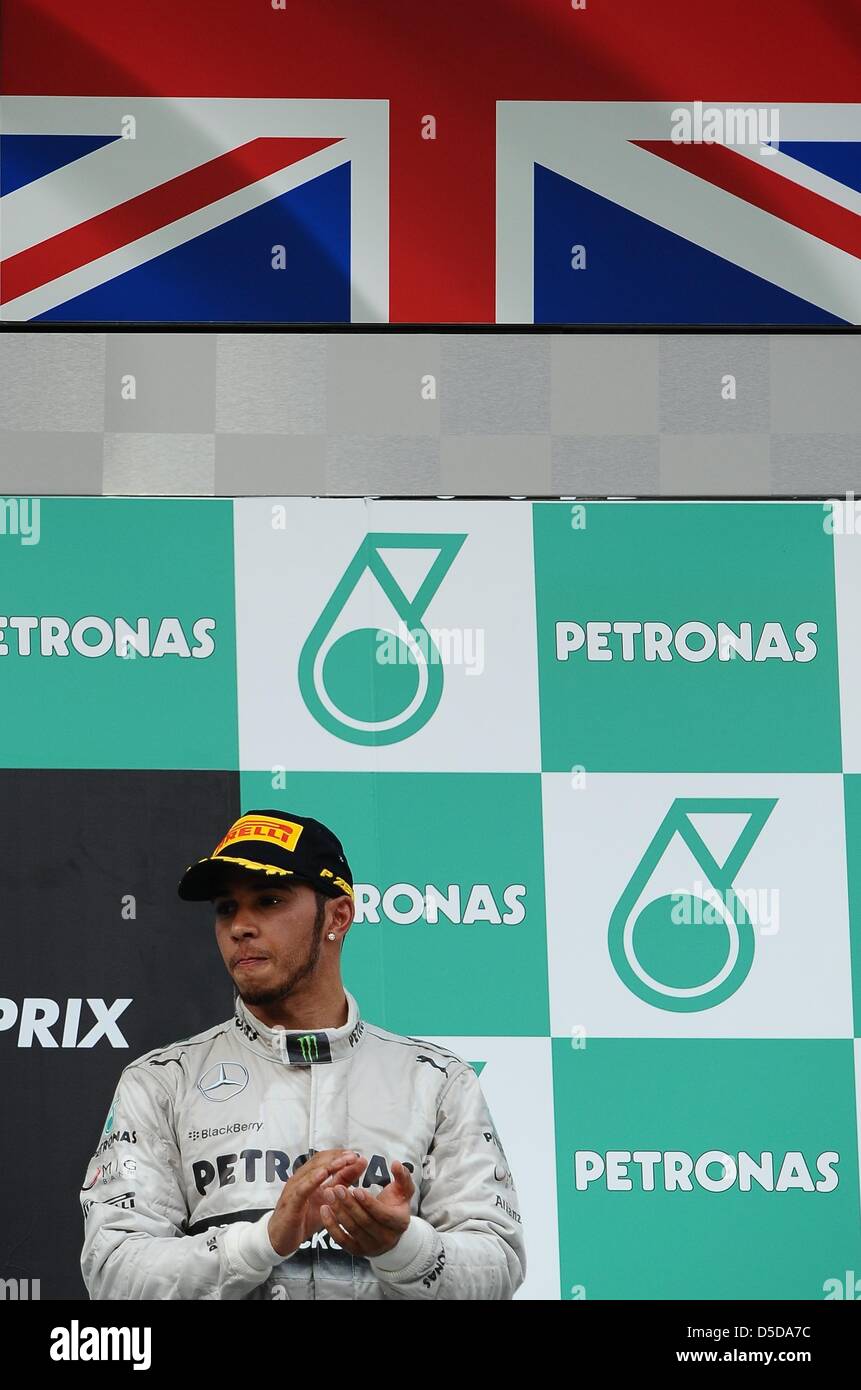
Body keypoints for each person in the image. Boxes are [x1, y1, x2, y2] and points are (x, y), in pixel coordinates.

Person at [80, 809, 526, 1300]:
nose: (240, 927)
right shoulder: (161, 1082)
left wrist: (404, 1248)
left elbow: (499, 1264)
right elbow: (114, 1271)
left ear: (338, 915)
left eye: (268, 901)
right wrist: (262, 1241)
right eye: (226, 908)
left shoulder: (435, 1080)